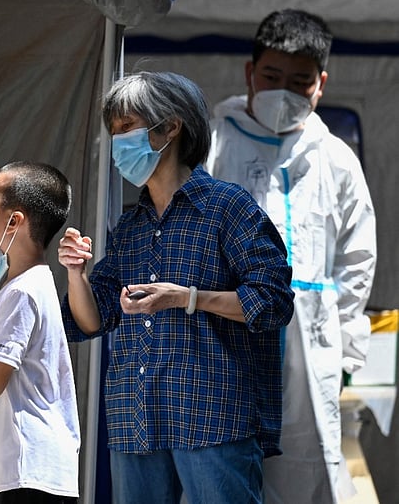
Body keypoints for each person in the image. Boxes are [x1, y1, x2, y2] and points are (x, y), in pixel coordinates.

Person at [58, 71, 294, 503]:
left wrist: (187, 298)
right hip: (136, 416)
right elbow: (91, 320)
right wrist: (77, 273)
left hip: (213, 415)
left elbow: (273, 301)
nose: (118, 143)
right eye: (113, 132)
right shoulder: (130, 225)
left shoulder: (228, 207)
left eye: (127, 127)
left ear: (171, 126)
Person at [205, 9, 377, 503]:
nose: (284, 91)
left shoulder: (336, 159)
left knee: (306, 466)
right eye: (272, 77)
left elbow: (357, 258)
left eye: (300, 81)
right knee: (224, 467)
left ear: (321, 83)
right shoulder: (214, 144)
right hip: (226, 334)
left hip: (311, 340)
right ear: (249, 73)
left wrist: (345, 343)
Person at [0, 161, 80, 504]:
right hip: (23, 470)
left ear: (15, 221)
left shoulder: (21, 293)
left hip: (28, 472)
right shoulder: (32, 285)